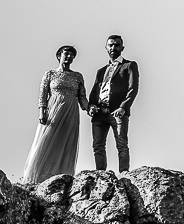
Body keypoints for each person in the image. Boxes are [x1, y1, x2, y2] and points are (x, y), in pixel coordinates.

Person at [19, 45, 88, 185]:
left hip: (71, 112)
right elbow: (43, 94)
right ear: (59, 56)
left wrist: (90, 108)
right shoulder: (50, 74)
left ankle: (61, 174)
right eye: (66, 54)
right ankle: (37, 176)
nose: (69, 57)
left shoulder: (77, 76)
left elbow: (82, 98)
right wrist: (42, 111)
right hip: (53, 110)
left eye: (72, 55)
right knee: (46, 141)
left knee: (65, 142)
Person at [90, 34, 138, 172]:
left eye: (116, 45)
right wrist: (91, 106)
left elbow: (133, 89)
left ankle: (124, 174)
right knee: (98, 146)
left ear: (122, 47)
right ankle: (101, 174)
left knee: (121, 144)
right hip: (99, 112)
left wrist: (123, 107)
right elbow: (95, 91)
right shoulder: (101, 71)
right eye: (110, 45)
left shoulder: (129, 65)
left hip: (117, 112)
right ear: (106, 47)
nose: (113, 47)